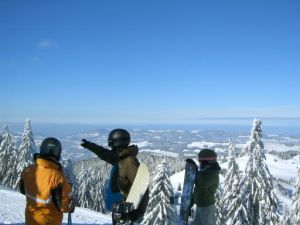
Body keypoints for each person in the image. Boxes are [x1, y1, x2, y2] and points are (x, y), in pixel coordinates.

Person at [81, 128, 149, 224]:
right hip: (119, 209)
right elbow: (104, 153)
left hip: (126, 213)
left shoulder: (129, 161)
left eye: (111, 143)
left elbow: (142, 187)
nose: (110, 146)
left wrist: (135, 214)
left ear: (117, 142)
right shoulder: (120, 158)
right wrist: (88, 145)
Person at [20, 137, 75, 225]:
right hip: (49, 221)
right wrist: (71, 206)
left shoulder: (27, 170)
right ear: (58, 153)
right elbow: (65, 206)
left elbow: (23, 190)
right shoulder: (57, 177)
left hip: (30, 220)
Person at [191, 149, 221, 225]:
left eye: (201, 162)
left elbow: (201, 183)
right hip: (200, 205)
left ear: (207, 162)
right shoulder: (205, 171)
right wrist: (190, 203)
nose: (200, 164)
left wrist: (194, 170)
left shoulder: (213, 173)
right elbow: (197, 190)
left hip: (207, 207)